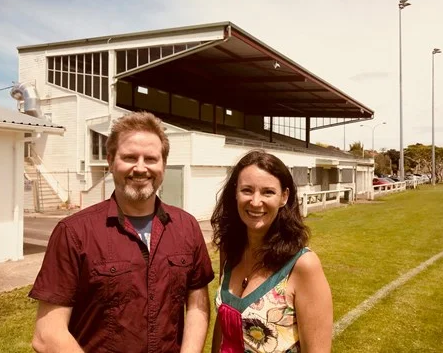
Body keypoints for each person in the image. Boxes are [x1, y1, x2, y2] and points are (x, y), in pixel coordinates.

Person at [29, 111, 214, 353]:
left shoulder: (186, 227)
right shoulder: (74, 233)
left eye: (150, 159)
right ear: (110, 161)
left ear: (163, 164)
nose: (140, 168)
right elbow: (47, 334)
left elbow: (197, 304)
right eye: (129, 157)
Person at [211, 150, 332, 353]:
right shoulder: (230, 250)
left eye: (268, 192)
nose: (256, 202)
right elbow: (223, 326)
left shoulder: (302, 265)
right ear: (235, 193)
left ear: (284, 197)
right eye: (247, 190)